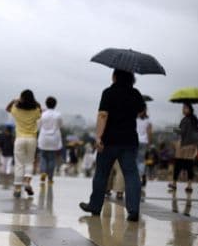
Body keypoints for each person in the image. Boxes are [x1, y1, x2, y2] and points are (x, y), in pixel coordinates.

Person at [79, 69, 145, 222]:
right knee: (131, 175)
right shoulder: (135, 93)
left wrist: (98, 137)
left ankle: (95, 207)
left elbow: (103, 115)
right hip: (129, 140)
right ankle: (133, 210)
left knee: (102, 173)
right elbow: (141, 111)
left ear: (115, 76)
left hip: (109, 140)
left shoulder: (108, 92)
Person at [6, 89, 41, 198]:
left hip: (20, 139)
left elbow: (7, 109)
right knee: (29, 162)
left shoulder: (16, 110)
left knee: (19, 164)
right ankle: (27, 181)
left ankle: (17, 188)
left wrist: (14, 100)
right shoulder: (35, 110)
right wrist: (35, 102)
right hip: (32, 139)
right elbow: (40, 111)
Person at [168, 103, 198, 193]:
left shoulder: (185, 120)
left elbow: (182, 132)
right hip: (192, 145)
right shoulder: (194, 120)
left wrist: (174, 129)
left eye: (185, 108)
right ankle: (189, 185)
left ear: (189, 109)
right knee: (189, 165)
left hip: (184, 145)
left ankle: (174, 183)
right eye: (183, 108)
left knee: (178, 165)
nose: (183, 110)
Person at [37, 96, 63, 184]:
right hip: (54, 139)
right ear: (55, 105)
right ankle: (50, 178)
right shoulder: (58, 115)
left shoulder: (42, 114)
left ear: (46, 104)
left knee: (43, 157)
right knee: (52, 159)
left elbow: (39, 126)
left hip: (43, 138)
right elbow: (60, 125)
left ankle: (43, 172)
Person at [136, 106, 152, 187]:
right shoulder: (148, 120)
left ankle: (138, 178)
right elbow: (149, 133)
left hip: (135, 142)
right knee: (141, 161)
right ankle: (142, 177)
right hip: (144, 142)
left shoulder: (135, 119)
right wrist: (149, 144)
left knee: (137, 161)